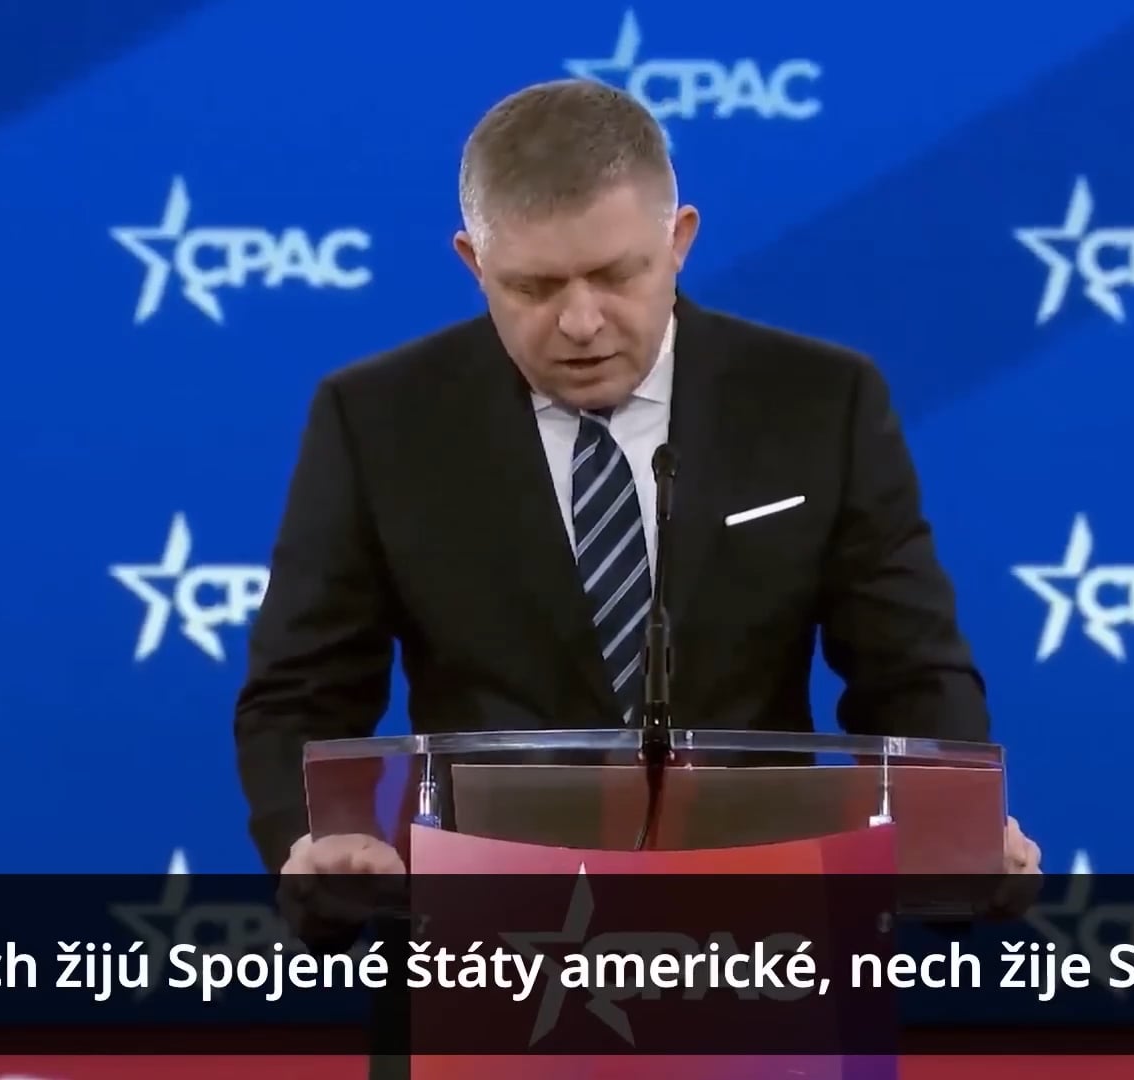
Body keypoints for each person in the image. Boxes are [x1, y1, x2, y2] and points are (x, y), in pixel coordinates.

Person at [233, 78, 1040, 882]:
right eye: (534, 288)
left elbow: (909, 670)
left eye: (616, 276)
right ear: (474, 261)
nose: (581, 323)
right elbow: (301, 695)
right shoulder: (378, 421)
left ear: (679, 240)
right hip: (487, 920)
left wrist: (953, 824)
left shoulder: (818, 403)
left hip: (760, 916)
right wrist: (321, 839)